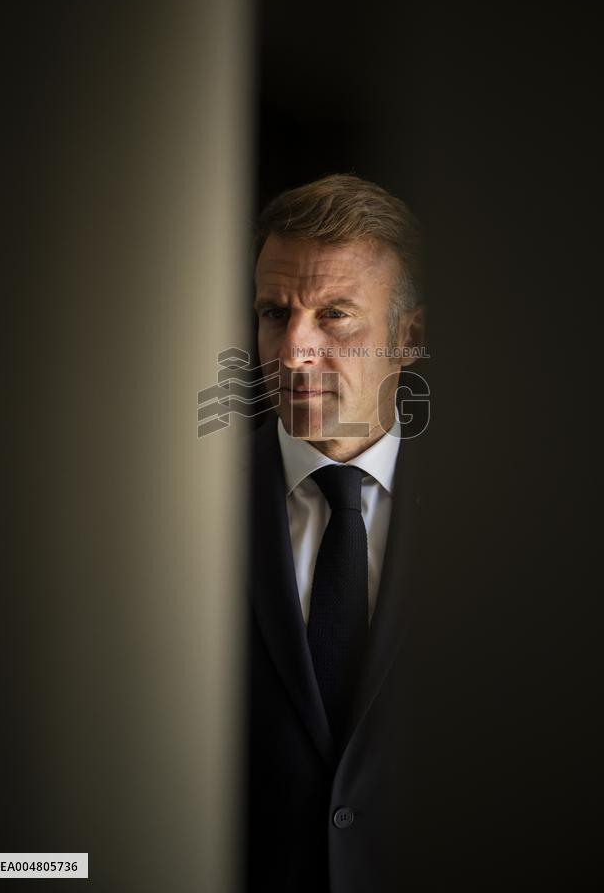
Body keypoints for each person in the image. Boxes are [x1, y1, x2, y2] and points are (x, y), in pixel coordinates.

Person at [244, 173, 428, 893]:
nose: (292, 351)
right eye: (272, 312)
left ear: (408, 338)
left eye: (336, 316)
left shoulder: (501, 516)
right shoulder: (179, 513)